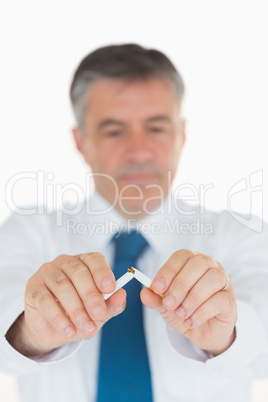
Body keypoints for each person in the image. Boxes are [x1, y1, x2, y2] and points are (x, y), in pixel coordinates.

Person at [0, 43, 268, 402]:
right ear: (80, 141)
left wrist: (230, 333)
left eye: (156, 128)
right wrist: (29, 331)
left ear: (181, 134)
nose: (139, 150)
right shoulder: (29, 230)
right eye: (114, 131)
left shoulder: (240, 232)